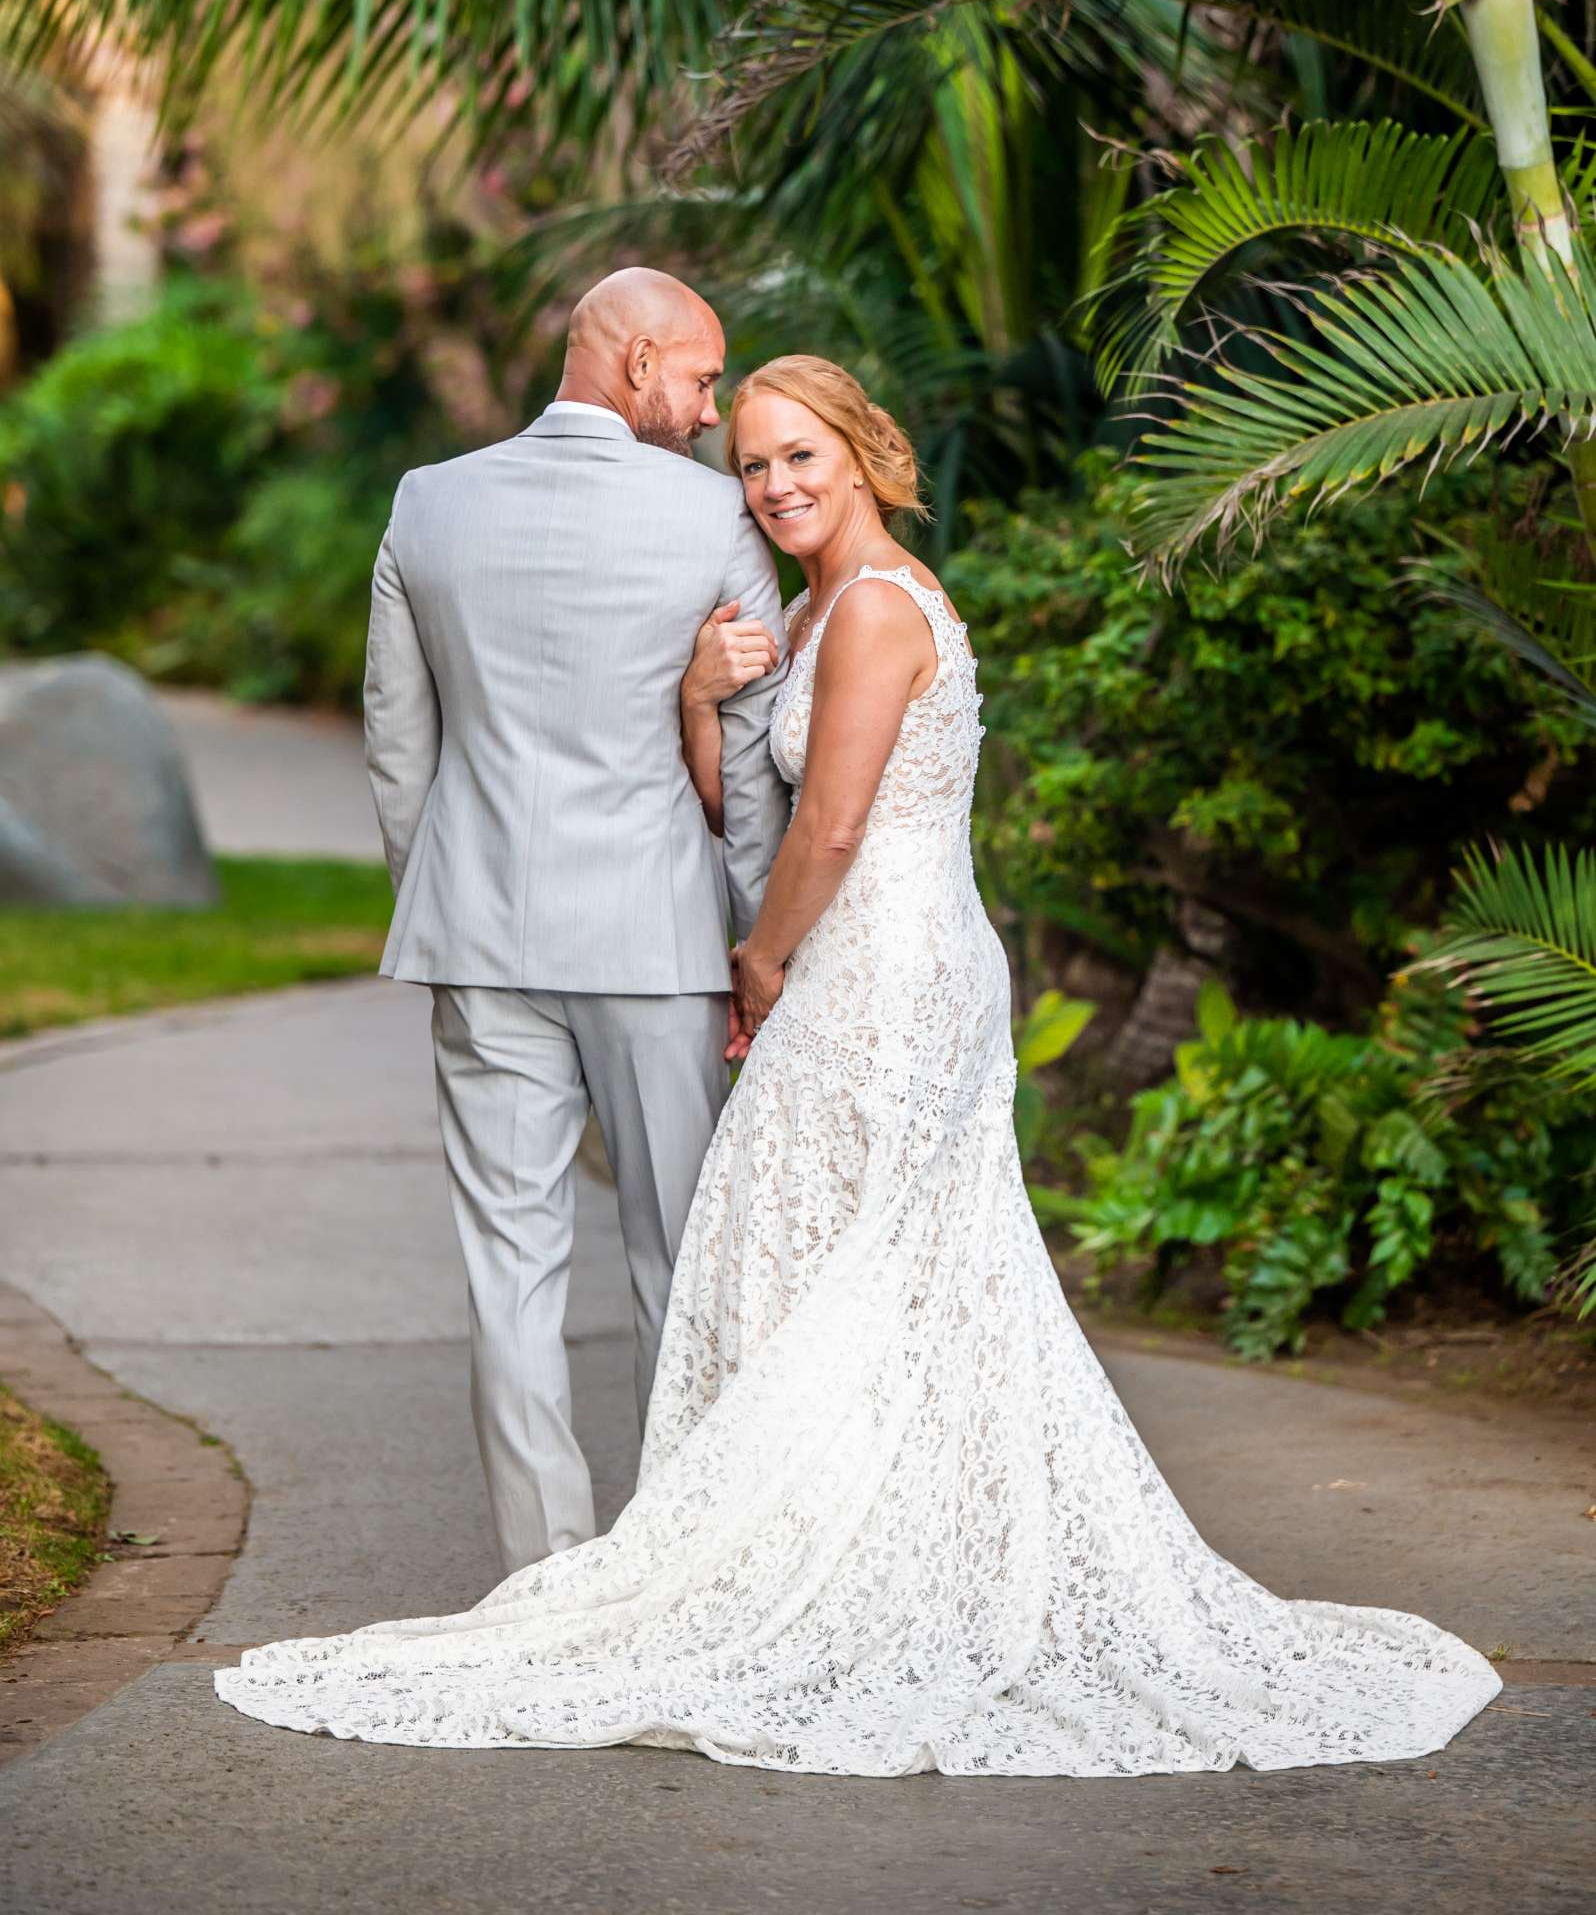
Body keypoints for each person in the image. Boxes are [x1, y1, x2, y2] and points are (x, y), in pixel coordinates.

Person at [216, 355, 1501, 1778]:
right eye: (753, 466)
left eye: (797, 458)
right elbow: (747, 800)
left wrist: (759, 965)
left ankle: (893, 1572)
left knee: (873, 1261)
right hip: (837, 960)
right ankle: (841, 1551)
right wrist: (701, 702)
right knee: (825, 1263)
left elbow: (827, 830)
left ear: (864, 452)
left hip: (885, 972)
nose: (772, 487)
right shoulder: (812, 607)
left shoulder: (881, 609)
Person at [356, 266, 789, 1577]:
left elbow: (396, 747)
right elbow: (758, 753)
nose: (715, 413)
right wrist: (763, 945)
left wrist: (443, 895)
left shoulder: (431, 505)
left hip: (479, 935)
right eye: (703, 376)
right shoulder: (714, 515)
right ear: (635, 358)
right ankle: (680, 1575)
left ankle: (548, 1585)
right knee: (681, 1262)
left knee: (510, 1273)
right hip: (658, 945)